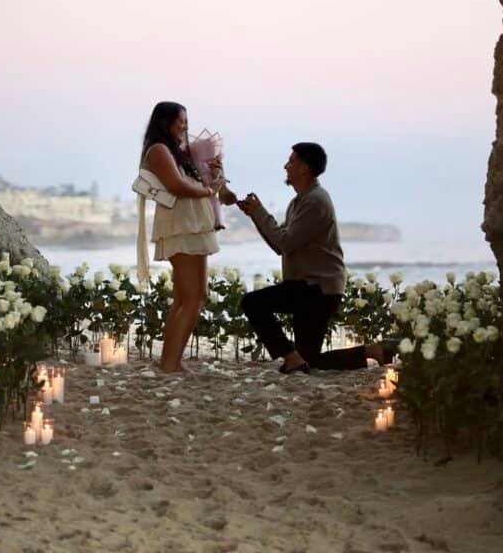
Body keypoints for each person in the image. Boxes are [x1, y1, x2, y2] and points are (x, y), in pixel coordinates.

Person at [238, 143, 394, 373]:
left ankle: (291, 357)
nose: (285, 166)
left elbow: (285, 242)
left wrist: (259, 212)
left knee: (252, 302)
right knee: (309, 361)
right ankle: (372, 351)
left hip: (317, 289)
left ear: (304, 168)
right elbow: (282, 246)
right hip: (309, 287)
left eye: (291, 161)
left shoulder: (315, 201)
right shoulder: (300, 201)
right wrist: (255, 214)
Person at [139, 101, 226, 373]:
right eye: (181, 121)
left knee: (186, 297)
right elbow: (177, 186)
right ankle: (170, 363)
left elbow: (197, 184)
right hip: (182, 226)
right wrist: (208, 191)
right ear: (166, 123)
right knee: (194, 296)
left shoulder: (176, 152)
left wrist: (215, 176)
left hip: (190, 224)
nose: (186, 126)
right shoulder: (159, 150)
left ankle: (169, 361)